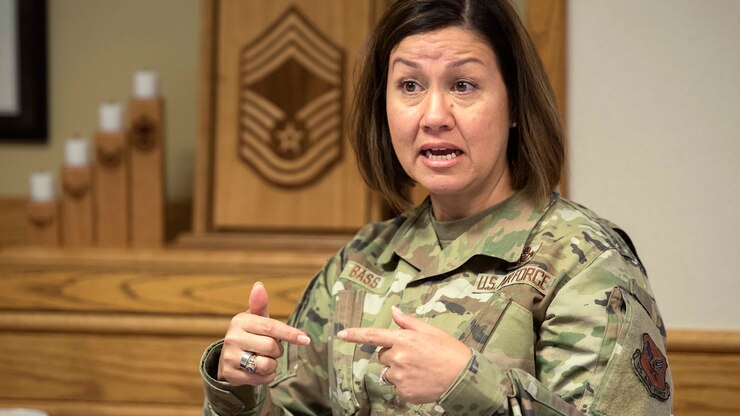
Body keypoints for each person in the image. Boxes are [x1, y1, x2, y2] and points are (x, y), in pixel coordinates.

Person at [200, 0, 673, 414]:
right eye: (409, 86)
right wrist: (241, 391)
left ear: (513, 106)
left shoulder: (584, 261)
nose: (433, 116)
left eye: (463, 85)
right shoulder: (360, 261)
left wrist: (470, 386)